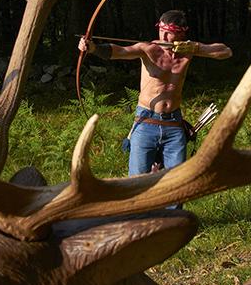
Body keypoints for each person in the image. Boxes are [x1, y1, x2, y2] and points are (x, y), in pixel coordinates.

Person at [78, 10, 232, 175]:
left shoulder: (188, 51)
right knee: (136, 182)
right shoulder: (149, 49)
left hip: (173, 124)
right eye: (162, 32)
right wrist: (93, 48)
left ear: (181, 34)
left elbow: (226, 52)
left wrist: (195, 47)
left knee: (176, 183)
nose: (164, 38)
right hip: (146, 122)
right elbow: (121, 51)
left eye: (169, 34)